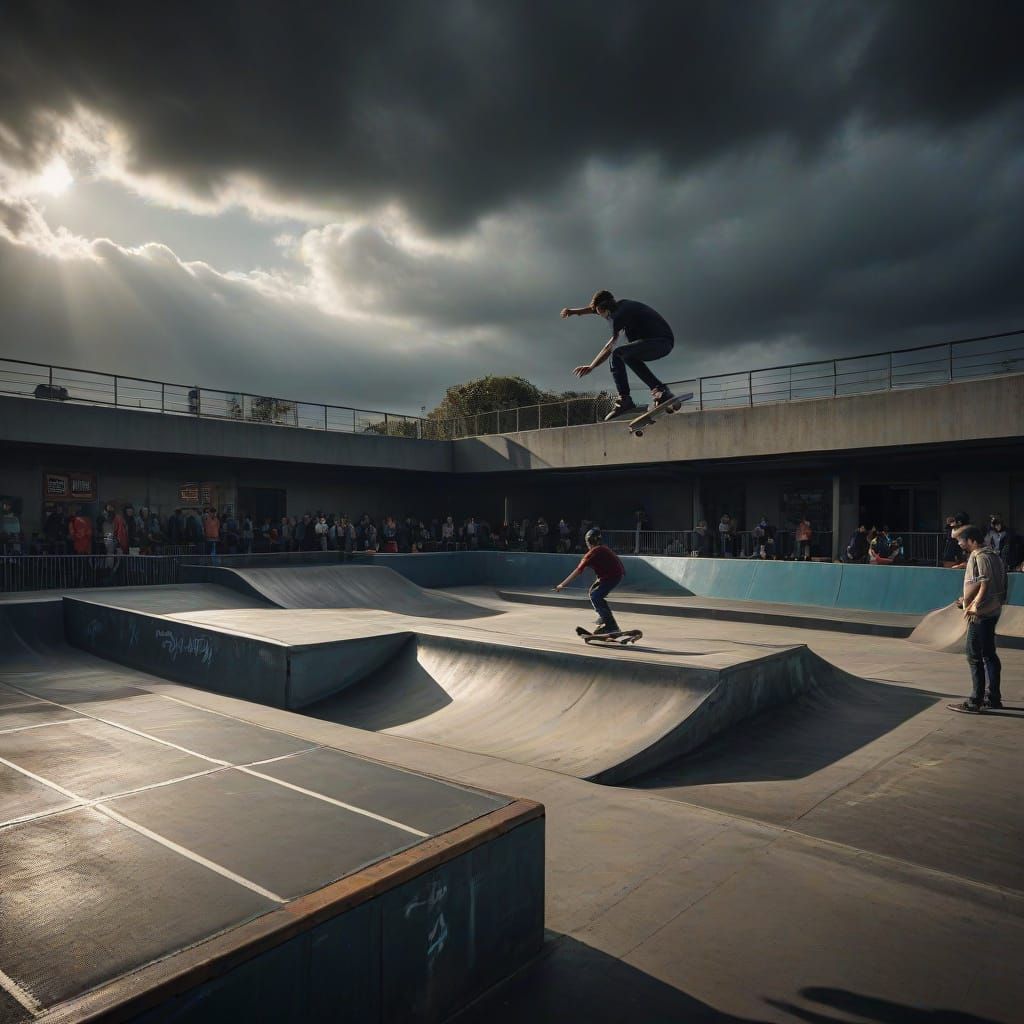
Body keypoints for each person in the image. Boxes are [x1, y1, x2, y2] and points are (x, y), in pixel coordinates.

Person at [563, 289, 676, 421]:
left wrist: (592, 366)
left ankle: (624, 400)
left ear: (603, 309)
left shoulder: (618, 317)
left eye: (600, 314)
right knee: (627, 356)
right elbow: (592, 309)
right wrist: (574, 312)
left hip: (659, 343)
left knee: (617, 354)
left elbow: (610, 347)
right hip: (659, 342)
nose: (602, 317)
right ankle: (660, 391)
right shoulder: (616, 305)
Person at [952, 525, 1006, 711]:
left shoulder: (980, 556)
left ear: (972, 540)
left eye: (961, 540)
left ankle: (976, 700)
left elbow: (985, 582)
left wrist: (974, 605)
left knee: (974, 655)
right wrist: (966, 600)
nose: (959, 544)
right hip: (992, 609)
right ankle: (993, 698)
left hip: (981, 614)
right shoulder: (993, 554)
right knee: (989, 654)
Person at [554, 527, 626, 635]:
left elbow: (578, 571)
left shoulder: (592, 553)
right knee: (593, 592)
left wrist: (562, 584)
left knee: (596, 596)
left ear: (588, 541)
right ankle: (604, 619)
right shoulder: (603, 548)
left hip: (611, 577)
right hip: (613, 575)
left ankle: (611, 626)